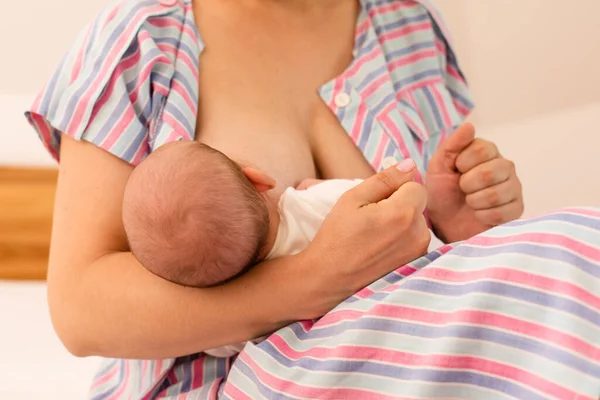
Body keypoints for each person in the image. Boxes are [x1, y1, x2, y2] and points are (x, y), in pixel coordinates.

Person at [24, 0, 599, 398]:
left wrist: (459, 220)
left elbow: (431, 254)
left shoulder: (409, 27)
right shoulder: (140, 42)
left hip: (418, 353)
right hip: (244, 383)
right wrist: (310, 280)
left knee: (574, 253)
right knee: (574, 245)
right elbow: (80, 310)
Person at [123, 140, 439, 357]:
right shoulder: (324, 202)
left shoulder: (233, 319)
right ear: (257, 178)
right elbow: (400, 218)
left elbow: (215, 347)